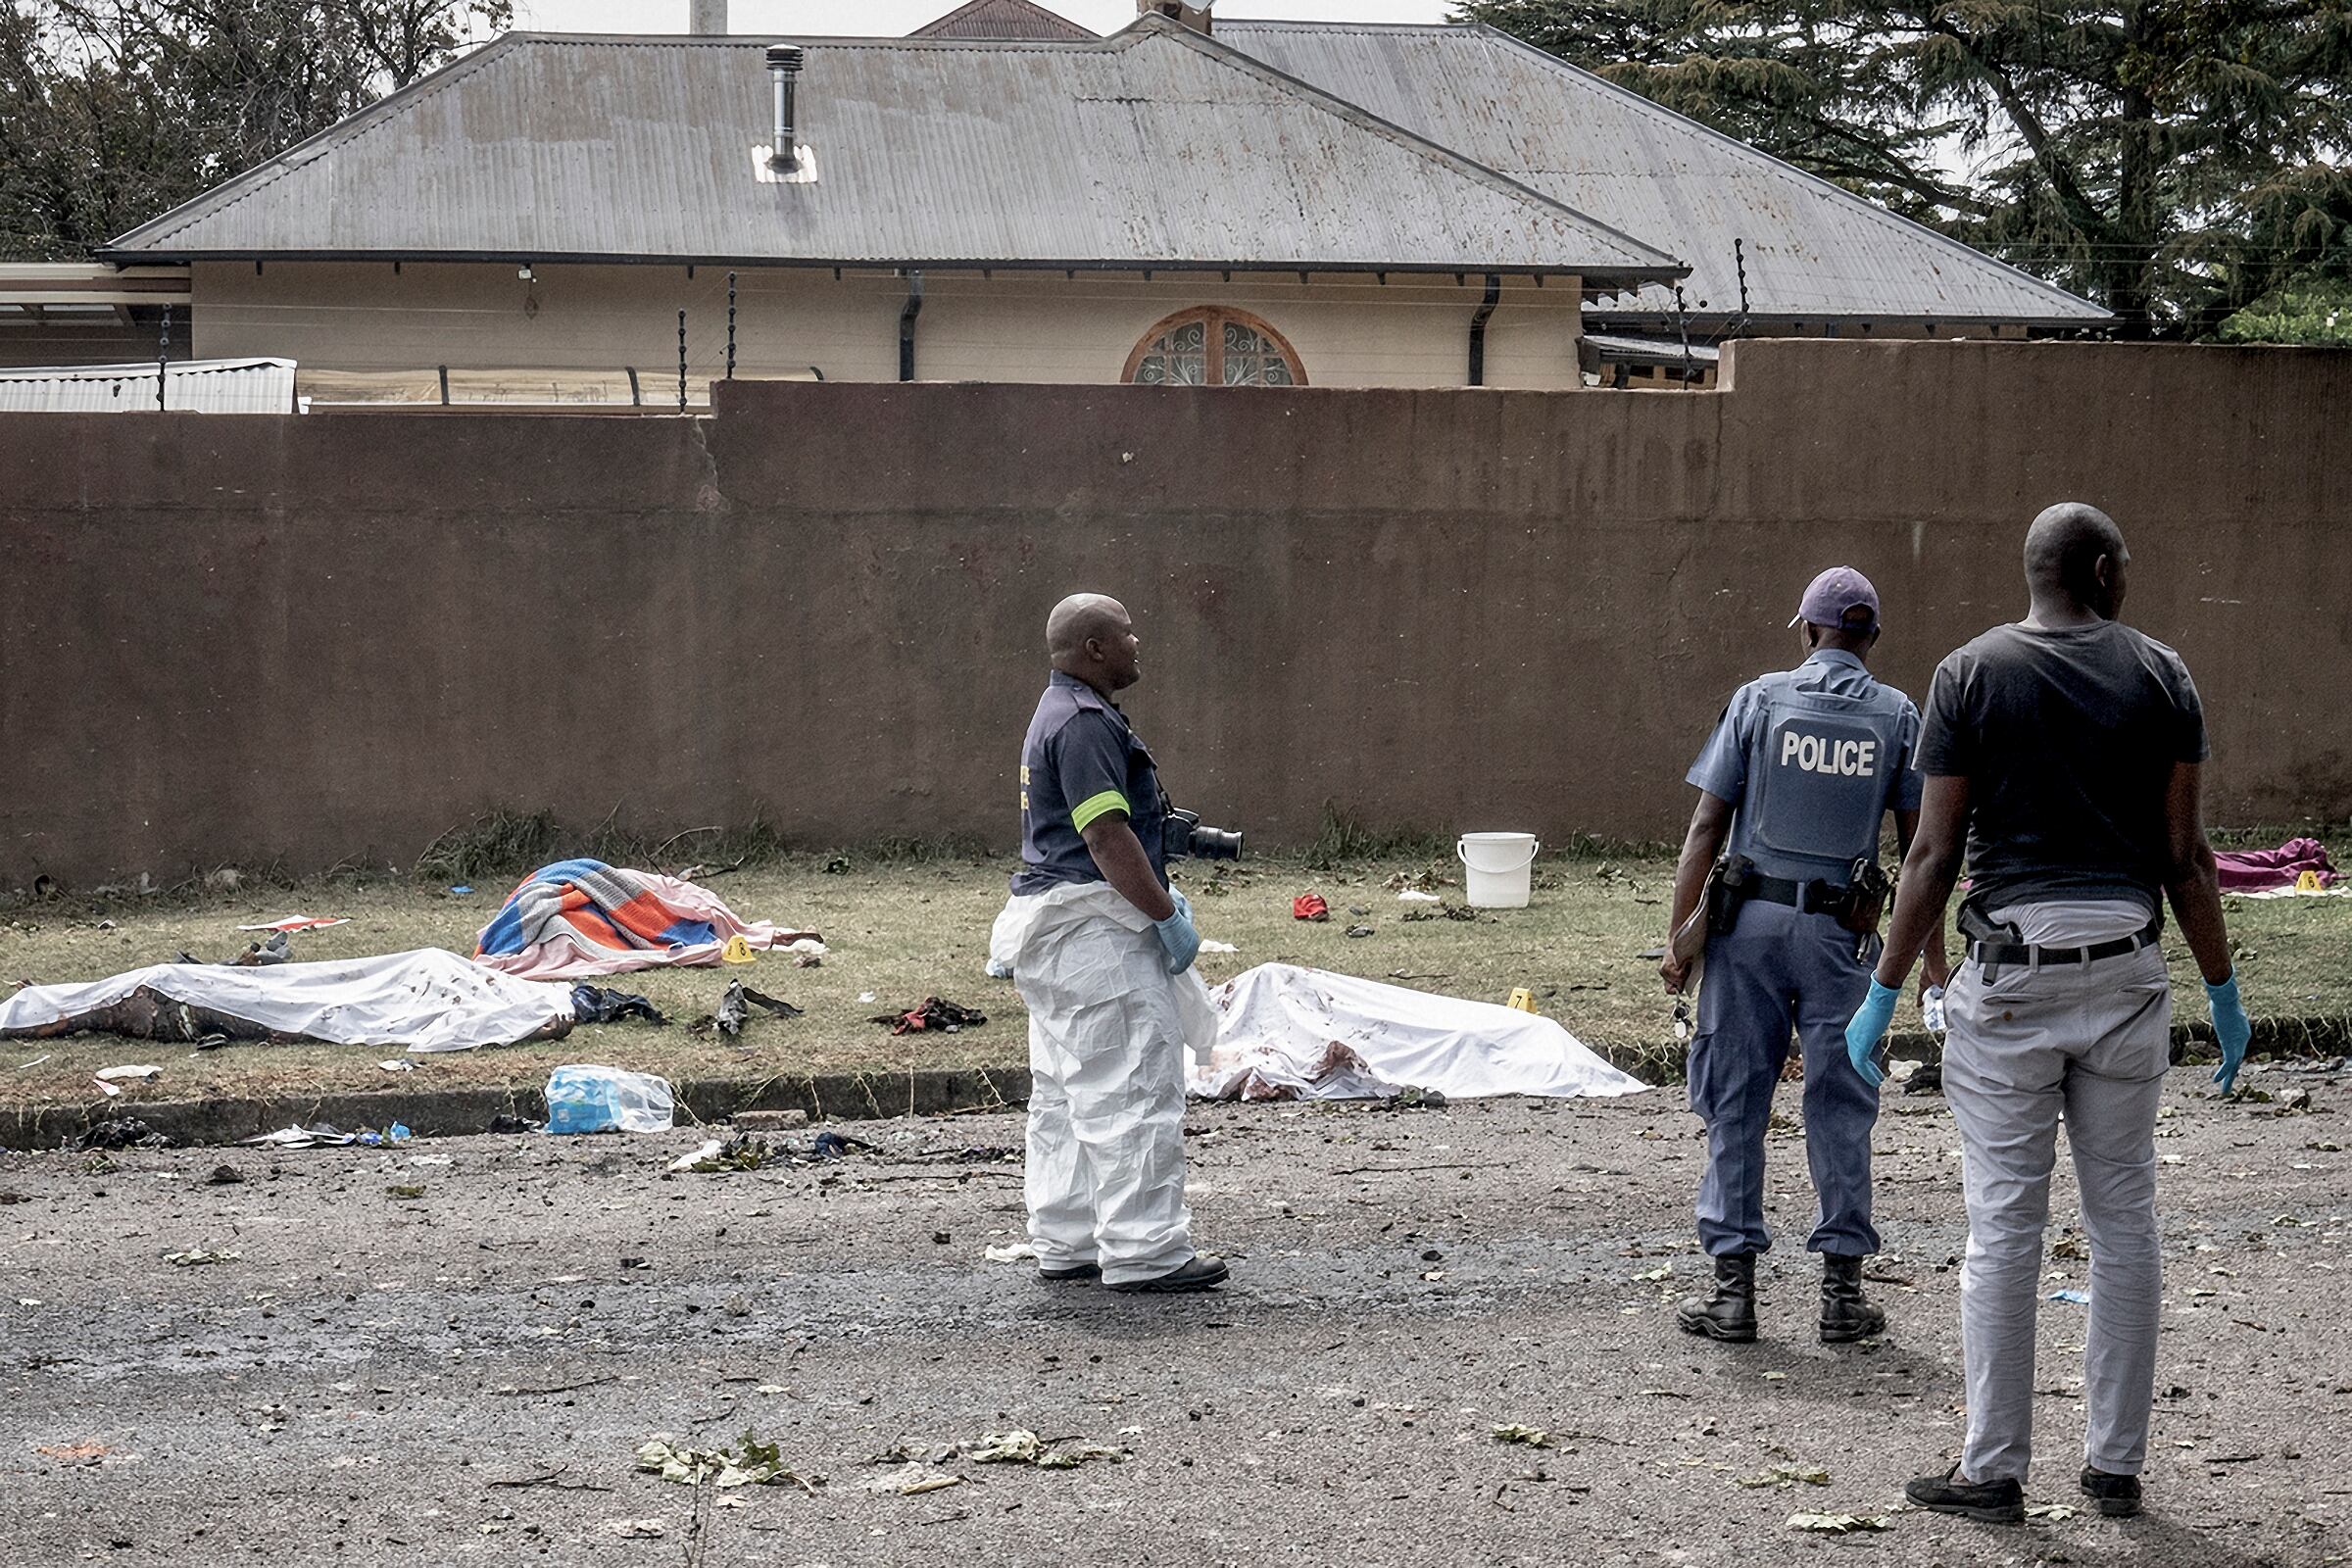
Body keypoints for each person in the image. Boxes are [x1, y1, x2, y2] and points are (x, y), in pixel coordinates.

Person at [1845, 503, 2251, 1524]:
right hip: (2125, 974)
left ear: (2038, 574)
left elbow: (1933, 854)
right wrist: (2222, 986)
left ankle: (1993, 1470)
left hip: (2010, 977)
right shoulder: (2164, 673)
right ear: (2104, 570)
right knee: (2125, 1226)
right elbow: (2183, 855)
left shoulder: (1968, 674)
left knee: (2004, 1230)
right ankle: (2115, 1468)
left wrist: (1884, 989)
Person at [1660, 565, 1944, 1344]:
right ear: (1871, 638)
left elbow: (1704, 830)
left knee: (1735, 1102)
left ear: (1809, 631)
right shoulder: (1897, 715)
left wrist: (1681, 937)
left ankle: (1732, 1295)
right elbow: (1923, 850)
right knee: (1842, 1105)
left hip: (1747, 930)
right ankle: (1842, 1298)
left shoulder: (1757, 701)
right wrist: (1931, 963)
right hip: (1840, 939)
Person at [987, 593, 1228, 1294]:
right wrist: (1162, 913)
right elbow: (1104, 836)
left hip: (1056, 929)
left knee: (1064, 1096)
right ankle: (1146, 1251)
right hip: (1098, 936)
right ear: (1095, 648)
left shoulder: (1053, 711)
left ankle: (1068, 1239)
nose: (1136, 640)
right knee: (1131, 1091)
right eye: (1126, 632)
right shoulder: (1087, 724)